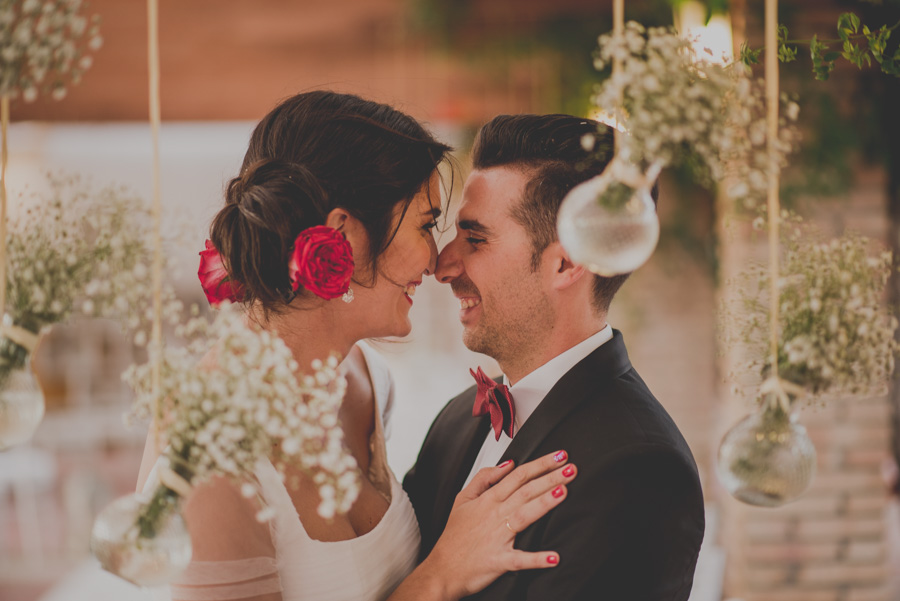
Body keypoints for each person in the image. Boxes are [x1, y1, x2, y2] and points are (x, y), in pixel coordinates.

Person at [136, 92, 577, 601]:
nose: (437, 262)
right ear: (343, 233)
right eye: (425, 225)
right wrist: (442, 573)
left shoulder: (366, 381)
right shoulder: (209, 459)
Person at [403, 114, 706, 600]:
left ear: (566, 263)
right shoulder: (458, 418)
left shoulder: (640, 468)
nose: (443, 264)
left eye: (475, 239)